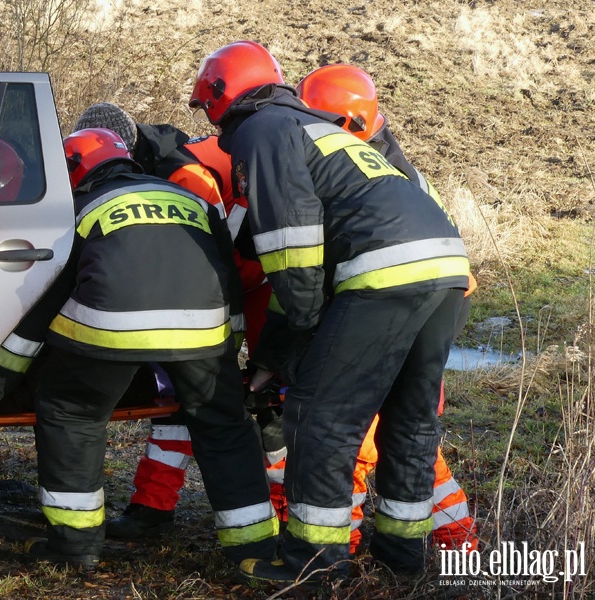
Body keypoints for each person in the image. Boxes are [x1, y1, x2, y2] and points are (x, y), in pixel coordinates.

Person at [188, 41, 470, 583]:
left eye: (207, 107)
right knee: (410, 421)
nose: (211, 121)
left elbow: (292, 250)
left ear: (223, 97)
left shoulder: (261, 130)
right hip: (446, 265)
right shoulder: (317, 130)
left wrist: (304, 334)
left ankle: (314, 568)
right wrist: (276, 352)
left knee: (322, 419)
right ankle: (400, 562)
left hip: (383, 270)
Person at [19, 127, 277, 570]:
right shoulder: (191, 198)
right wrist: (228, 355)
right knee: (224, 425)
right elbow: (228, 281)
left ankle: (74, 550)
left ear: (73, 172)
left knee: (72, 414)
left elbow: (45, 305)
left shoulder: (83, 208)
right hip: (201, 334)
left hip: (109, 330)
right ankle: (255, 552)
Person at [70, 103, 283, 538]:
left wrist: (223, 349)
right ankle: (153, 505)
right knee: (181, 407)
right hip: (227, 286)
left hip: (261, 286)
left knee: (266, 408)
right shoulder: (142, 164)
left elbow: (215, 264)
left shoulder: (185, 178)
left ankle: (285, 511)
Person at [293, 63, 479, 554]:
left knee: (348, 441)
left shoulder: (353, 174)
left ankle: (338, 553)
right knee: (412, 440)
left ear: (344, 125)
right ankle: (432, 550)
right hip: (427, 319)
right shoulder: (401, 176)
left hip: (392, 325)